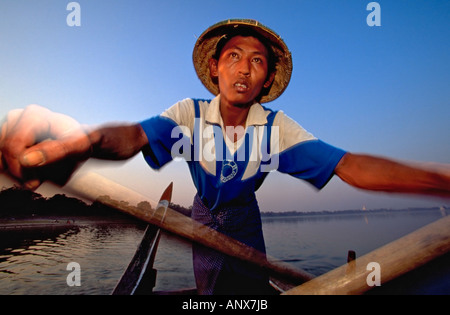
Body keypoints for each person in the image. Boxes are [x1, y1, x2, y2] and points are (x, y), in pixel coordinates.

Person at [0, 19, 449, 295]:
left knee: (252, 291)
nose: (244, 67)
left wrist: (438, 179)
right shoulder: (188, 115)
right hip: (203, 214)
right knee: (211, 292)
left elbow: (349, 165)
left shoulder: (276, 128)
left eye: (257, 61)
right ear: (215, 68)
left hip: (245, 217)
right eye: (233, 56)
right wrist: (81, 141)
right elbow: (131, 136)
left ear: (266, 78)